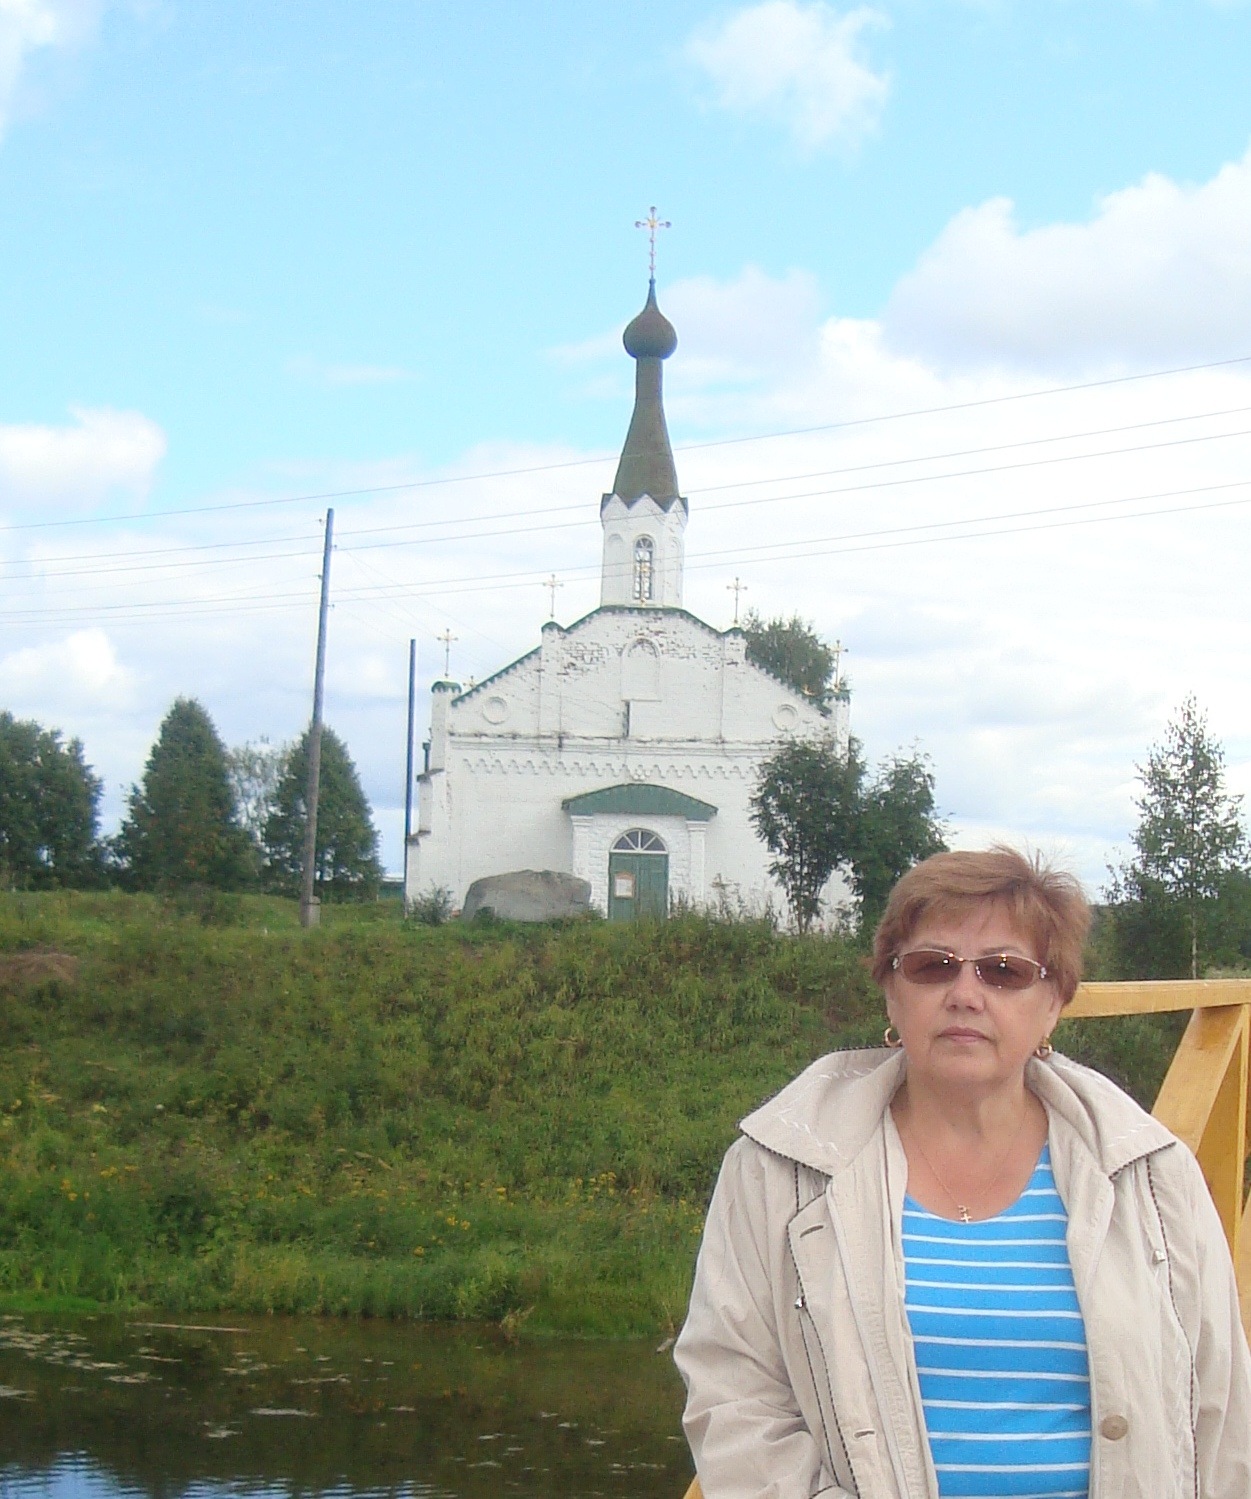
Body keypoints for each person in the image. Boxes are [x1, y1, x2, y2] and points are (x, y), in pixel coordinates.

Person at [674, 847, 1251, 1499]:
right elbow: (734, 1398)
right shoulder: (778, 1169)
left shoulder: (1148, 1173)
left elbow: (1220, 1414)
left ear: (1053, 1001)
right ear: (891, 990)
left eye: (1004, 971)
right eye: (932, 966)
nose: (964, 995)